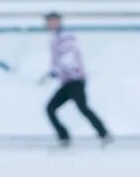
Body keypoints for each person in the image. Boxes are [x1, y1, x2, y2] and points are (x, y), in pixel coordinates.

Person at [42, 11, 109, 147]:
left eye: (53, 20)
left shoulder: (66, 38)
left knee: (83, 108)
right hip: (67, 83)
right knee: (51, 108)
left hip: (75, 81)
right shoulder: (56, 38)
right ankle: (64, 136)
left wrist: (55, 71)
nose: (50, 24)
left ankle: (103, 133)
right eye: (49, 21)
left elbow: (69, 59)